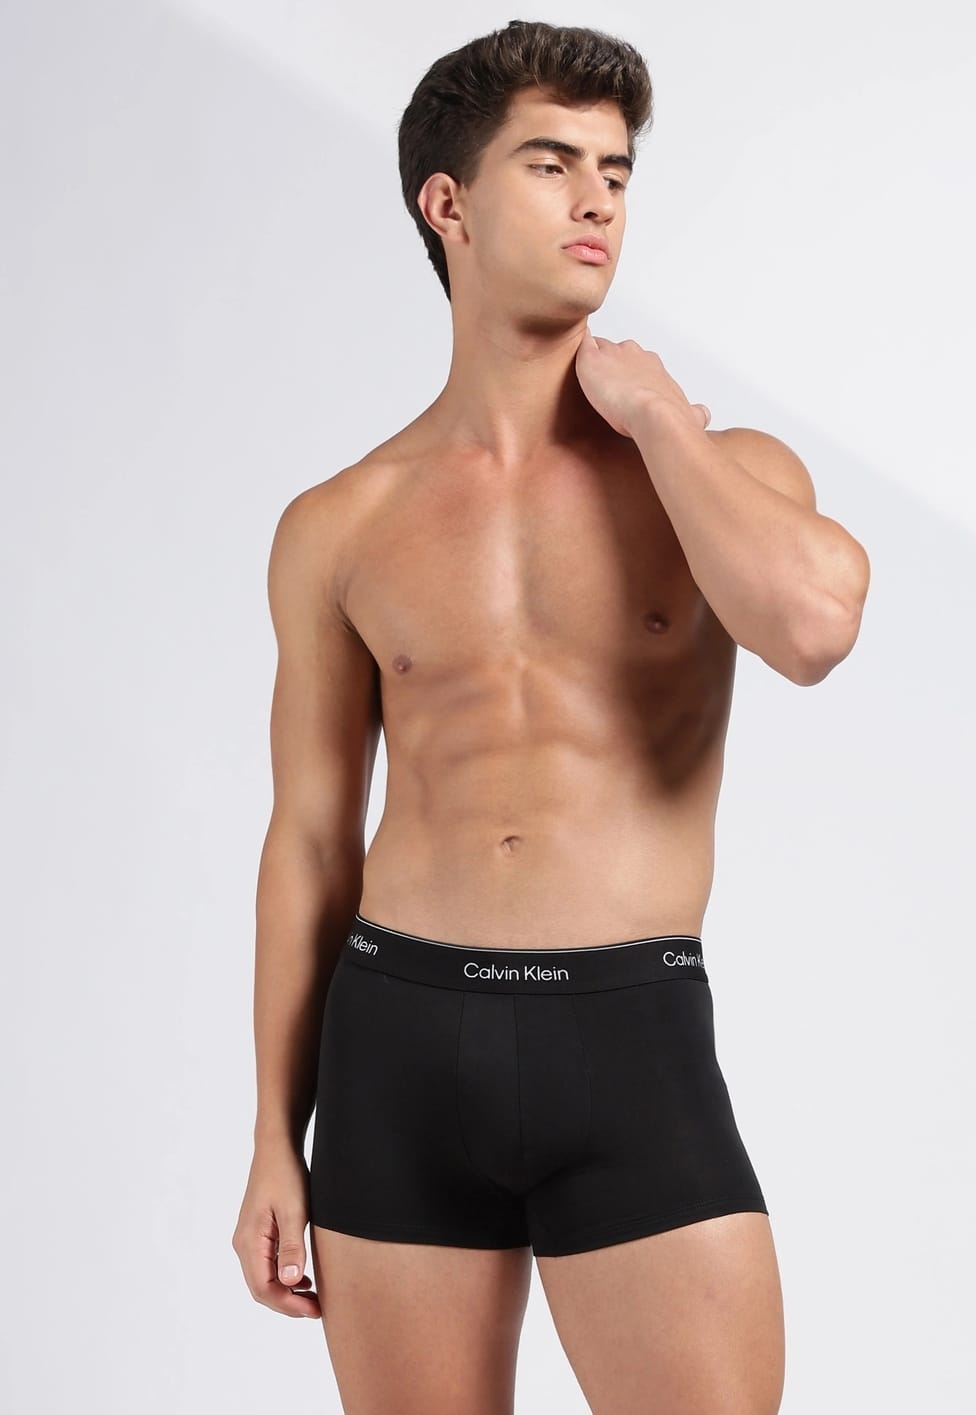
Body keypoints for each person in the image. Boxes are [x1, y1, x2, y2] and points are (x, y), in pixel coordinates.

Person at [232, 19, 870, 1415]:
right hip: (395, 1047)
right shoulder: (341, 523)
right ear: (447, 202)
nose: (597, 200)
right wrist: (276, 1134)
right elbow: (310, 839)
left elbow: (815, 628)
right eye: (551, 163)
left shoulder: (713, 469)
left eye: (616, 172)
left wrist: (660, 423)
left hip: (624, 1035)